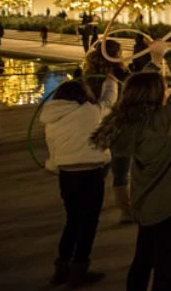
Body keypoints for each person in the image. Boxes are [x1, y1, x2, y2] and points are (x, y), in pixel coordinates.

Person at [90, 41, 171, 291]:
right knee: (165, 267)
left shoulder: (131, 120)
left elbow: (140, 88)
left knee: (143, 259)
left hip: (147, 203)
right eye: (163, 89)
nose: (166, 92)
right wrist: (170, 53)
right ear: (156, 94)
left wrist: (155, 61)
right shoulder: (161, 121)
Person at [41, 77, 118, 287]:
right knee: (88, 224)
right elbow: (109, 102)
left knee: (73, 220)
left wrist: (53, 166)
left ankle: (62, 268)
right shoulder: (89, 112)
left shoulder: (52, 119)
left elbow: (53, 149)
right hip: (90, 174)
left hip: (66, 176)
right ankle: (79, 270)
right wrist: (111, 82)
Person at [82, 40, 133, 223]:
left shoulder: (87, 75)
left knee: (100, 169)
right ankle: (125, 211)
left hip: (98, 127)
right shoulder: (119, 75)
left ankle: (97, 203)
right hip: (118, 126)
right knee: (120, 172)